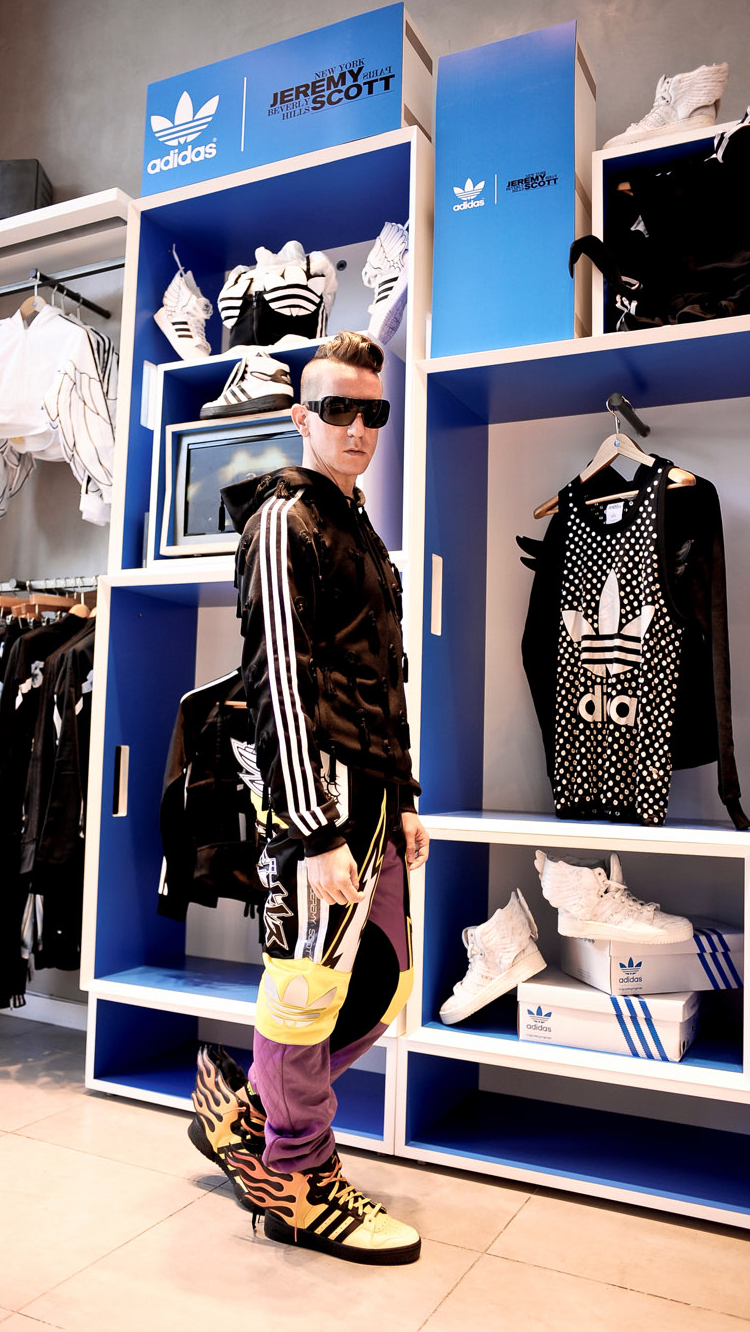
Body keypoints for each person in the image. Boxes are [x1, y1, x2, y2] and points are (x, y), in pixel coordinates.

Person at [188, 331, 428, 1265]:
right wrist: (313, 828)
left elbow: (382, 677)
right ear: (302, 417)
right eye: (337, 409)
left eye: (373, 411)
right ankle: (297, 1179)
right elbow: (279, 680)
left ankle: (255, 1109)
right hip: (318, 798)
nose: (358, 426)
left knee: (381, 979)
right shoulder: (286, 520)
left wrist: (403, 793)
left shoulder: (356, 526)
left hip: (372, 793)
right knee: (307, 988)